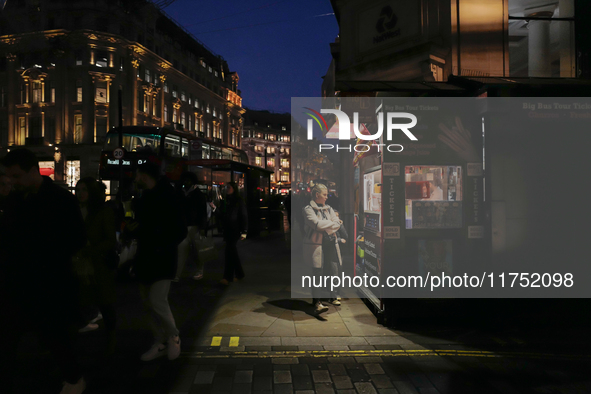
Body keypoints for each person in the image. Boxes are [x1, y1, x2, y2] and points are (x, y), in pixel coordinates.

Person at [0, 148, 87, 393]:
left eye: (16, 176)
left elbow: (77, 239)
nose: (12, 182)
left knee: (55, 336)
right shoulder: (16, 199)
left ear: (32, 171)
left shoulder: (61, 200)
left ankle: (74, 378)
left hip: (49, 282)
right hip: (17, 282)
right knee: (7, 339)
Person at [133, 161, 187, 361]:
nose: (135, 178)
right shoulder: (144, 196)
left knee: (157, 300)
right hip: (146, 256)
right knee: (148, 303)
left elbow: (180, 230)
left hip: (162, 256)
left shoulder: (168, 196)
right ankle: (160, 340)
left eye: (137, 174)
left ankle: (173, 336)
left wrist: (159, 240)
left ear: (145, 175)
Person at [74, 177, 118, 355]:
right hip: (80, 262)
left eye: (84, 189)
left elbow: (110, 241)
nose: (80, 193)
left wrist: (89, 251)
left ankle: (111, 337)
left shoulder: (102, 212)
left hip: (98, 263)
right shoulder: (76, 210)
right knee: (82, 299)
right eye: (78, 190)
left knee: (105, 302)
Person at [302, 183, 342, 315]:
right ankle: (317, 301)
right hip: (316, 245)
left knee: (332, 269)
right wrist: (332, 225)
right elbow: (317, 225)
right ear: (317, 195)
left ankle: (332, 295)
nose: (327, 197)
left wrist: (330, 225)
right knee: (317, 272)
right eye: (324, 195)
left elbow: (337, 224)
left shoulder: (328, 208)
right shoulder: (308, 209)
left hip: (330, 243)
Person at [175, 171, 208, 281]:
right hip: (188, 225)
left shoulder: (192, 194)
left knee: (196, 251)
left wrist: (202, 227)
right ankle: (178, 274)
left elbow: (202, 212)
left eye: (188, 180)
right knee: (183, 251)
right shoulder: (195, 194)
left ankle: (181, 274)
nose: (186, 182)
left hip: (193, 226)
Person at [219, 181, 248, 285]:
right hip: (228, 229)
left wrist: (244, 231)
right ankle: (238, 274)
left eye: (229, 187)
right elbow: (222, 214)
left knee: (229, 251)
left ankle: (228, 277)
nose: (227, 189)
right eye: (226, 187)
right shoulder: (226, 201)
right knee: (231, 252)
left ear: (234, 189)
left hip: (235, 229)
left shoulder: (238, 201)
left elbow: (243, 216)